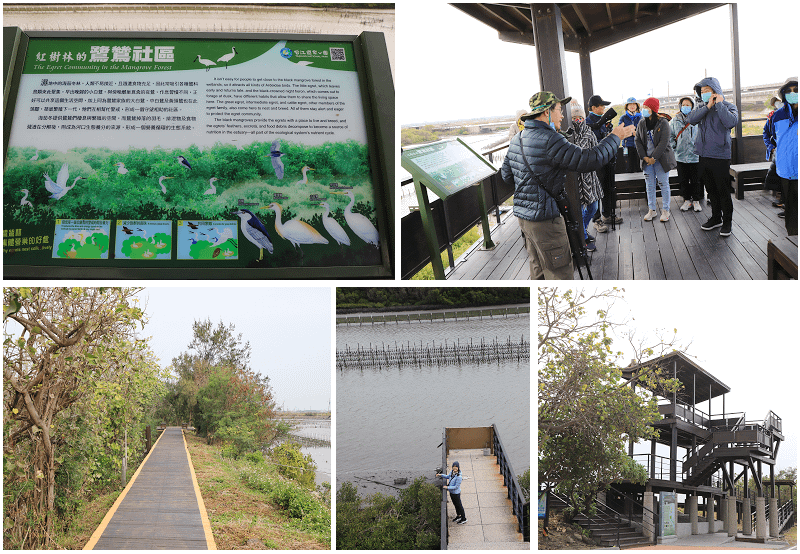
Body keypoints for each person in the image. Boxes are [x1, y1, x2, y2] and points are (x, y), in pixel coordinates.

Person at [501, 91, 635, 279]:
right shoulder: (550, 139)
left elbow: (506, 176)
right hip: (546, 220)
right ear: (547, 112)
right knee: (559, 273)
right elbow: (589, 160)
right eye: (559, 110)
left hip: (524, 220)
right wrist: (615, 137)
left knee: (538, 271)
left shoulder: (518, 139)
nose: (563, 115)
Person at [686, 76, 739, 237]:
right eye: (701, 91)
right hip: (703, 155)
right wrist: (708, 106)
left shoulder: (729, 106)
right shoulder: (702, 107)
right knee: (711, 190)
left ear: (715, 91)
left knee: (723, 190)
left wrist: (719, 104)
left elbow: (731, 122)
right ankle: (716, 218)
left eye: (707, 90)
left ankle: (727, 221)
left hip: (720, 156)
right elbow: (691, 119)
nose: (703, 94)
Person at [568, 99, 606, 252]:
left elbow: (596, 150)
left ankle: (582, 230)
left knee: (593, 207)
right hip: (575, 178)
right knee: (577, 208)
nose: (578, 120)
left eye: (580, 117)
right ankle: (582, 236)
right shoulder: (568, 134)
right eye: (575, 118)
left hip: (589, 176)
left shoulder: (589, 132)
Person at [635, 97, 677, 222]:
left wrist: (653, 157)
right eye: (644, 107)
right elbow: (637, 140)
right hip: (647, 161)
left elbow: (664, 142)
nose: (644, 110)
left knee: (664, 184)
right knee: (649, 185)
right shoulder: (642, 122)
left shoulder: (663, 122)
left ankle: (665, 210)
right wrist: (645, 157)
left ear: (653, 109)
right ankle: (651, 210)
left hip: (661, 160)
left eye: (647, 107)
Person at [586, 94, 622, 228]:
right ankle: (596, 220)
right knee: (596, 190)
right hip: (597, 161)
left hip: (608, 159)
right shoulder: (588, 122)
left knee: (608, 188)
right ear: (594, 108)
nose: (604, 108)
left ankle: (607, 215)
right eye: (601, 106)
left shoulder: (603, 120)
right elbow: (593, 143)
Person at [771, 77, 798, 235]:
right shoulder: (778, 115)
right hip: (787, 168)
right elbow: (773, 136)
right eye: (788, 91)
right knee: (791, 208)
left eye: (796, 90)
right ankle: (793, 241)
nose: (793, 93)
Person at [669, 96, 702, 212]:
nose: (686, 107)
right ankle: (687, 200)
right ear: (680, 106)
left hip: (695, 155)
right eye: (684, 105)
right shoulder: (674, 120)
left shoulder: (697, 119)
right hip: (681, 155)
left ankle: (696, 201)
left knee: (696, 179)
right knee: (683, 179)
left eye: (688, 105)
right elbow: (670, 135)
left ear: (692, 106)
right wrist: (675, 147)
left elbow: (703, 134)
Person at [763, 96, 784, 211]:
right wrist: (771, 148)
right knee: (778, 175)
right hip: (777, 152)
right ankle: (781, 199)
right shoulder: (772, 117)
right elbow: (765, 133)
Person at [618, 97, 642, 173]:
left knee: (639, 167)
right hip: (628, 145)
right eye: (630, 104)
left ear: (637, 106)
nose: (632, 106)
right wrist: (629, 132)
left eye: (634, 104)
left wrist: (637, 134)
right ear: (627, 106)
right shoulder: (623, 118)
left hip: (639, 145)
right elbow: (620, 131)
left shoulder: (641, 117)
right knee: (629, 167)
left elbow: (645, 131)